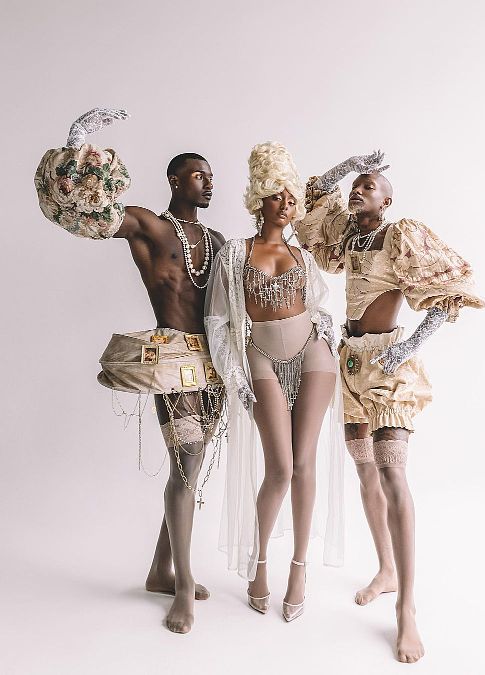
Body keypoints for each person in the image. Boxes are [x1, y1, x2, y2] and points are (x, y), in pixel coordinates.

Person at [34, 108, 226, 634]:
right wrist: (78, 144)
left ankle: (162, 570)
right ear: (174, 180)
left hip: (214, 365)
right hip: (170, 360)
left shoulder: (218, 242)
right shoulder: (147, 224)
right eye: (197, 175)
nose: (208, 183)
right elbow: (85, 215)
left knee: (192, 468)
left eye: (211, 176)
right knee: (186, 469)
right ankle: (184, 586)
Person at [295, 154, 485, 662]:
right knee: (364, 471)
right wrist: (350, 164)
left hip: (390, 366)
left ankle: (407, 610)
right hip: (351, 362)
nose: (358, 190)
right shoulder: (346, 238)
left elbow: (448, 295)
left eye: (369, 185)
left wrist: (408, 347)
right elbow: (311, 198)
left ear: (387, 199)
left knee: (393, 473)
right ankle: (386, 569)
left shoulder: (401, 234)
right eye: (356, 185)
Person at [205, 142, 344, 622]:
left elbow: (318, 303)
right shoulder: (235, 255)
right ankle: (259, 563)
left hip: (314, 355)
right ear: (258, 200)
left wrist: (324, 327)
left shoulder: (301, 253)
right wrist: (235, 379)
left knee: (304, 465)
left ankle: (299, 568)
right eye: (276, 196)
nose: (286, 204)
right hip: (261, 354)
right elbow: (220, 323)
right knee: (280, 469)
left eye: (291, 197)